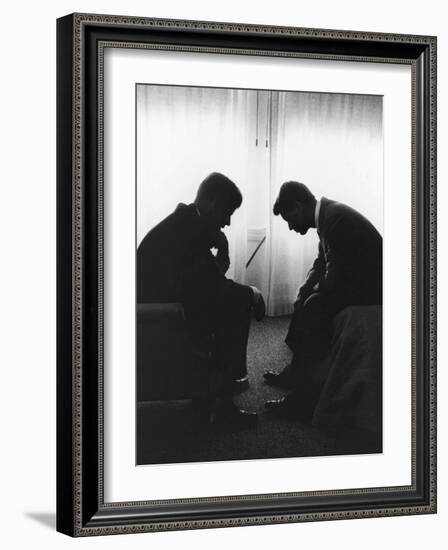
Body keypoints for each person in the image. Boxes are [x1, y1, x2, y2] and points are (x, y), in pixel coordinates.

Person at [137, 172, 265, 429]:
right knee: (237, 304)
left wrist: (221, 253)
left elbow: (202, 282)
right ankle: (223, 403)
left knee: (229, 300)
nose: (228, 223)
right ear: (213, 203)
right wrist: (254, 293)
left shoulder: (185, 222)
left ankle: (211, 392)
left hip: (164, 301)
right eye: (227, 212)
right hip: (159, 312)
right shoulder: (190, 233)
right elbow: (212, 288)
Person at [264, 181, 382, 420]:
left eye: (289, 220)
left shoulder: (336, 220)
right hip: (357, 280)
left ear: (298, 206)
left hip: (373, 288)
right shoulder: (328, 216)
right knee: (305, 299)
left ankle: (304, 401)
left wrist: (313, 293)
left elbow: (335, 278)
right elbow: (322, 263)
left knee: (314, 306)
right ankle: (297, 372)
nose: (290, 227)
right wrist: (305, 288)